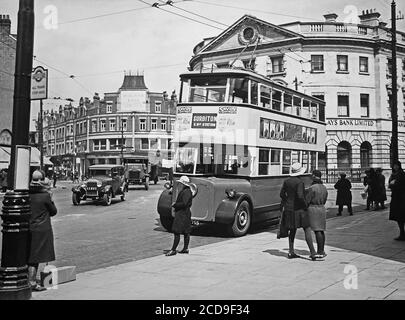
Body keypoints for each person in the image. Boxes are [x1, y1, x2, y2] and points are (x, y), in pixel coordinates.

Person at [279, 162, 317, 260]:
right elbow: (300, 196)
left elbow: (282, 194)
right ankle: (313, 252)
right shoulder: (299, 182)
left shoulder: (286, 181)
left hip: (289, 208)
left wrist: (288, 200)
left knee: (292, 230)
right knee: (307, 229)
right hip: (299, 209)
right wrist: (305, 205)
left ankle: (291, 252)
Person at [28, 170, 57, 291]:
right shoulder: (45, 195)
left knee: (30, 255)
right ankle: (33, 282)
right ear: (41, 180)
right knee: (36, 257)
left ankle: (29, 279)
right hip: (42, 229)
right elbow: (53, 212)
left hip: (29, 227)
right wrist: (51, 198)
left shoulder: (26, 193)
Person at [166, 175, 193, 256]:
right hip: (185, 213)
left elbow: (184, 203)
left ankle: (173, 249)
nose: (180, 184)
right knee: (186, 232)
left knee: (177, 231)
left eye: (181, 183)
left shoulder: (186, 191)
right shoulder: (188, 191)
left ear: (184, 184)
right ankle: (185, 248)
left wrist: (175, 204)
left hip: (182, 214)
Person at [305, 170, 328, 258]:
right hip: (321, 208)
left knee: (317, 230)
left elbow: (307, 200)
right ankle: (321, 250)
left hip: (313, 209)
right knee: (321, 230)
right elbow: (325, 199)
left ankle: (319, 251)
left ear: (314, 176)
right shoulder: (324, 187)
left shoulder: (312, 188)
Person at [388, 161, 405, 241]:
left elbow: (397, 184)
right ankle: (402, 233)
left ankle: (402, 234)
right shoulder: (395, 174)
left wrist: (392, 184)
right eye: (393, 165)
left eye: (395, 165)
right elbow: (390, 184)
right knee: (399, 217)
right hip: (397, 197)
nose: (394, 167)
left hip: (400, 197)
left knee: (400, 216)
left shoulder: (401, 174)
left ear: (398, 166)